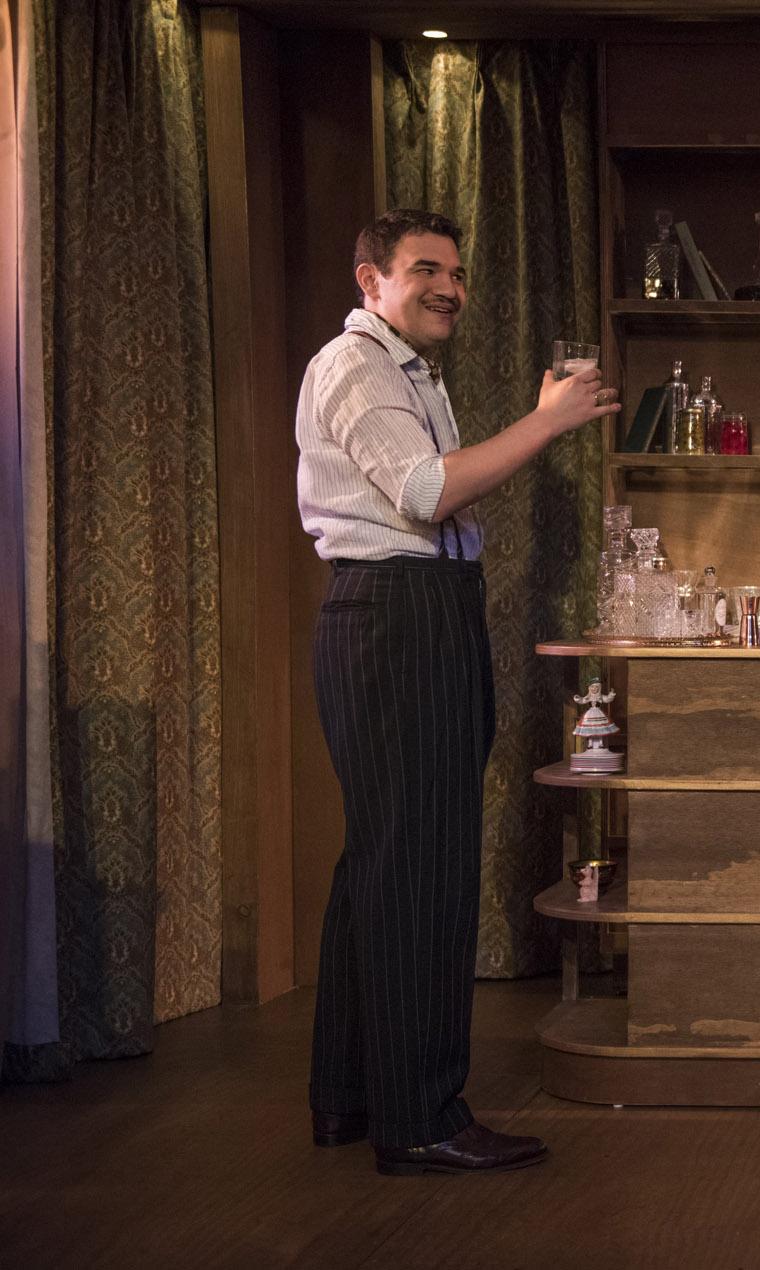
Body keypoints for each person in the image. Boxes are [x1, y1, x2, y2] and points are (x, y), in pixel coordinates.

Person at [296, 208, 617, 1175]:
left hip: (413, 611)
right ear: (371, 282)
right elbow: (427, 493)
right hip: (398, 616)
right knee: (421, 871)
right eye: (425, 270)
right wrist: (548, 420)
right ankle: (422, 1117)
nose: (449, 287)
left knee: (384, 867)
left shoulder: (406, 371)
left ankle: (353, 1098)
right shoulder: (357, 367)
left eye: (458, 272)